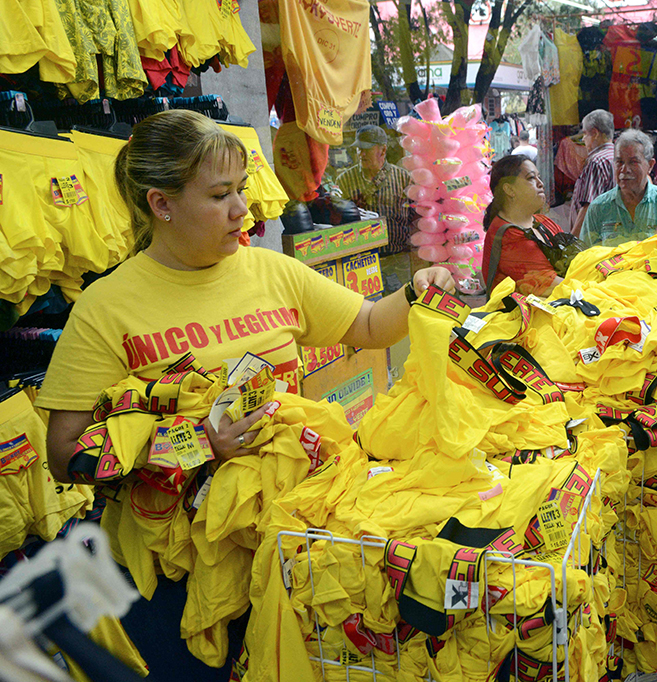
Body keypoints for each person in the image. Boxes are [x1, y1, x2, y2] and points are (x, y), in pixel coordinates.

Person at [34, 110, 455, 682]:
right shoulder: (105, 308)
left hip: (284, 542)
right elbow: (65, 453)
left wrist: (418, 288)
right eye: (220, 196)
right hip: (174, 574)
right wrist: (196, 443)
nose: (242, 211)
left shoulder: (272, 272)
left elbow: (370, 325)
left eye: (241, 190)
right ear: (162, 204)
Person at [330, 124, 418, 294]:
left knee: (399, 308)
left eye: (366, 149)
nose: (360, 154)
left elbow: (415, 219)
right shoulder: (345, 180)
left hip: (397, 259)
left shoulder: (403, 178)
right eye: (358, 149)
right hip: (360, 262)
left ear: (383, 151)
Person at [482, 155, 567, 296]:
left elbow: (575, 260)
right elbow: (553, 286)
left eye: (538, 177)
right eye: (531, 178)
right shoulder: (508, 236)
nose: (541, 184)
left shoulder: (543, 222)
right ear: (509, 190)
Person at [579, 129, 657, 248]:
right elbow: (585, 255)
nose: (624, 169)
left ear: (650, 166)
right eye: (619, 162)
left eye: (633, 162)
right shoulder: (598, 207)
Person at [569, 109, 616, 237]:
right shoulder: (619, 156)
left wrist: (573, 240)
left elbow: (589, 206)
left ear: (595, 133)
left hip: (596, 236)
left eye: (585, 134)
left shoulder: (596, 161)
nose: (583, 139)